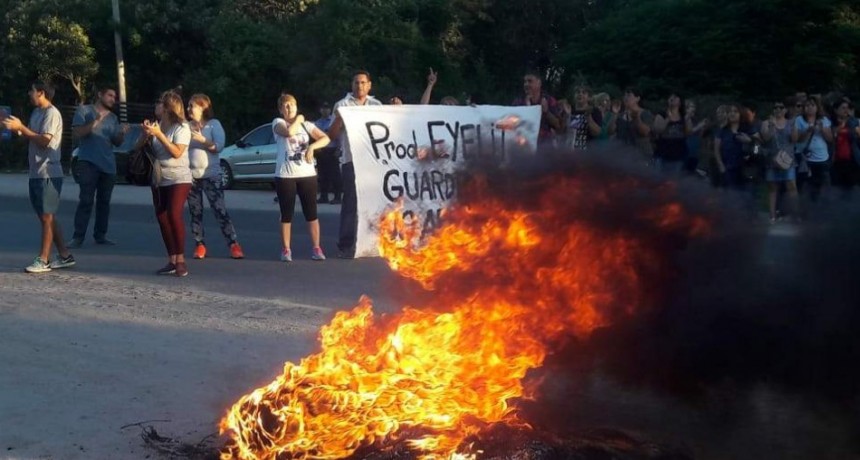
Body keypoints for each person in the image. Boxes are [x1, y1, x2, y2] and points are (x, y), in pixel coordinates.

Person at [1, 81, 75, 273]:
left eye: (31, 90)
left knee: (47, 216)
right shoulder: (37, 113)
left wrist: (22, 127)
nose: (29, 93)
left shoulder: (52, 113)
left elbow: (44, 140)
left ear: (41, 92)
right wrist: (16, 128)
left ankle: (44, 259)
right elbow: (32, 135)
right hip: (36, 173)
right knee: (47, 216)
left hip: (49, 173)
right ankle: (65, 255)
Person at [327, 70, 383, 259]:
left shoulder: (377, 105)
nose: (359, 86)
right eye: (356, 83)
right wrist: (338, 119)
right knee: (350, 204)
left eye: (363, 82)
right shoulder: (343, 105)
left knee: (374, 203)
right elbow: (331, 136)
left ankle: (373, 241)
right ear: (352, 85)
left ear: (369, 85)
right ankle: (346, 243)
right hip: (351, 161)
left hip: (372, 162)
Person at [140, 91, 192, 277]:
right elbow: (139, 148)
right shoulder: (158, 125)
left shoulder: (182, 128)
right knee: (162, 216)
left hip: (179, 177)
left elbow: (177, 152)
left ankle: (181, 260)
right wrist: (145, 134)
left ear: (169, 107)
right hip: (159, 177)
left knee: (173, 213)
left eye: (160, 103)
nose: (157, 106)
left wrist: (159, 134)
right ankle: (171, 259)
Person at [273, 93, 330, 262]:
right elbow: (289, 133)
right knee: (286, 213)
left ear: (297, 106)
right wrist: (298, 119)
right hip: (285, 175)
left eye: (292, 104)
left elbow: (325, 138)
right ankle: (286, 249)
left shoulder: (307, 125)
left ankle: (316, 248)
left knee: (311, 213)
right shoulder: (278, 123)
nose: (289, 108)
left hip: (307, 174)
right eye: (286, 105)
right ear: (281, 109)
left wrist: (312, 147)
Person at [185, 93, 244, 260]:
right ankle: (200, 244)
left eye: (192, 106)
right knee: (195, 212)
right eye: (188, 105)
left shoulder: (213, 125)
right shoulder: (186, 126)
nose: (189, 109)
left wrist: (202, 140)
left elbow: (218, 147)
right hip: (192, 176)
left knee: (220, 210)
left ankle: (233, 244)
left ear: (203, 107)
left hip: (211, 175)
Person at [68, 86, 128, 248]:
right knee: (86, 200)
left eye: (114, 96)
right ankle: (78, 236)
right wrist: (95, 121)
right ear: (100, 94)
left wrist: (122, 132)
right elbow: (77, 133)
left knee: (104, 202)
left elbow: (117, 142)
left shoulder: (114, 118)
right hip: (88, 161)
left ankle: (100, 235)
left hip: (108, 165)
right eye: (109, 95)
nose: (112, 99)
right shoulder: (84, 111)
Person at [759, 100, 799, 222]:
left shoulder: (791, 123)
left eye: (781, 107)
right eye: (775, 107)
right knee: (772, 188)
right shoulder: (766, 123)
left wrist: (793, 127)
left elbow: (794, 139)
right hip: (772, 160)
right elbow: (766, 138)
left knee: (792, 187)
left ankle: (795, 214)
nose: (778, 110)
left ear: (785, 110)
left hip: (788, 160)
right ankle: (772, 216)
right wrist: (771, 126)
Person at [791, 96, 833, 203]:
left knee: (822, 186)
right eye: (807, 105)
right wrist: (807, 131)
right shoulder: (799, 120)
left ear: (817, 107)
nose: (810, 108)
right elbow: (795, 140)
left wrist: (822, 128)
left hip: (822, 158)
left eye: (812, 105)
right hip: (805, 159)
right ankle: (804, 210)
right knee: (804, 185)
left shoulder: (824, 120)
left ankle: (820, 209)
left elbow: (830, 139)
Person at [512, 70, 562, 145]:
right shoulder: (518, 102)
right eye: (525, 82)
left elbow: (558, 126)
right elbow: (511, 124)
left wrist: (546, 112)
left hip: (545, 146)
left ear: (539, 83)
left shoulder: (549, 100)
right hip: (523, 145)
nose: (526, 84)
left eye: (530, 81)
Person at [714, 104, 753, 190]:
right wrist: (721, 165)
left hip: (744, 169)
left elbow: (757, 148)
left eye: (735, 111)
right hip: (727, 168)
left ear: (741, 114)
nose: (732, 114)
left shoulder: (747, 130)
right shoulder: (722, 131)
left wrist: (749, 142)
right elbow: (716, 150)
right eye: (730, 112)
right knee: (730, 195)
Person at [830, 97, 860, 199]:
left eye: (847, 108)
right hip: (836, 161)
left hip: (852, 160)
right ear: (835, 110)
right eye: (843, 108)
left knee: (852, 188)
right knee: (838, 189)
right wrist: (839, 127)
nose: (846, 110)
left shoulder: (854, 122)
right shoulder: (831, 123)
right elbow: (831, 137)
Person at [652, 93, 688, 173]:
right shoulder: (662, 114)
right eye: (671, 97)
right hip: (663, 152)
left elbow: (688, 132)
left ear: (680, 102)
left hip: (678, 153)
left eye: (675, 97)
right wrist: (668, 119)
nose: (672, 99)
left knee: (674, 181)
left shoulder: (683, 116)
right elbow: (657, 129)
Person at [313, 102, 342, 204]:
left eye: (327, 108)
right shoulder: (317, 123)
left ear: (330, 110)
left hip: (332, 150)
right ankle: (323, 196)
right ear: (320, 110)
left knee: (335, 176)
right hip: (321, 151)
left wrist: (338, 150)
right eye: (323, 108)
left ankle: (337, 197)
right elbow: (314, 137)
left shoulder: (333, 121)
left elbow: (338, 137)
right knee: (322, 175)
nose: (325, 110)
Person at [559, 85, 601, 151]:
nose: (580, 94)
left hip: (587, 154)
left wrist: (588, 118)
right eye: (578, 92)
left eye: (584, 92)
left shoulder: (594, 111)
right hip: (570, 152)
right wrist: (567, 116)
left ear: (588, 97)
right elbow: (561, 132)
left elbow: (597, 133)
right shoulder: (569, 109)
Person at [616, 87, 654, 160]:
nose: (626, 98)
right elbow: (611, 131)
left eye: (629, 95)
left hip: (641, 154)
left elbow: (645, 132)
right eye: (625, 95)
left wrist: (636, 118)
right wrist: (615, 114)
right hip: (623, 154)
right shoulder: (620, 115)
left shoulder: (645, 113)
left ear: (637, 98)